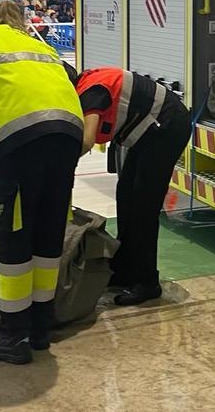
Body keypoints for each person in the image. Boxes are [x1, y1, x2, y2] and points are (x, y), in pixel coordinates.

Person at [0, 0, 84, 364]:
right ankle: (39, 328)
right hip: (68, 134)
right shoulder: (41, 44)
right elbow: (71, 81)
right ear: (21, 20)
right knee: (49, 232)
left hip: (18, 140)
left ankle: (12, 336)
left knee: (15, 235)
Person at [68, 66, 191, 305]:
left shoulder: (91, 91)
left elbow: (87, 139)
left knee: (143, 205)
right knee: (126, 195)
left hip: (167, 127)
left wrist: (62, 166)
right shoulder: (87, 83)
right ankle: (125, 269)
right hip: (151, 131)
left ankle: (147, 282)